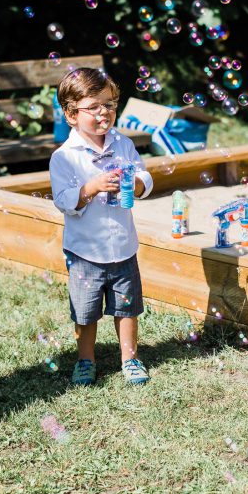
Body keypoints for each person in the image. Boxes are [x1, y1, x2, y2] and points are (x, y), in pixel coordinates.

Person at [49, 68, 154, 386]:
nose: (103, 112)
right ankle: (85, 359)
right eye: (92, 107)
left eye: (108, 104)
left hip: (122, 246)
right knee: (86, 311)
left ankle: (130, 358)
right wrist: (91, 188)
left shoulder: (123, 145)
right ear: (71, 114)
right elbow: (64, 200)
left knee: (127, 307)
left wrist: (135, 183)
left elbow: (145, 177)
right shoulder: (65, 157)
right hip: (85, 252)